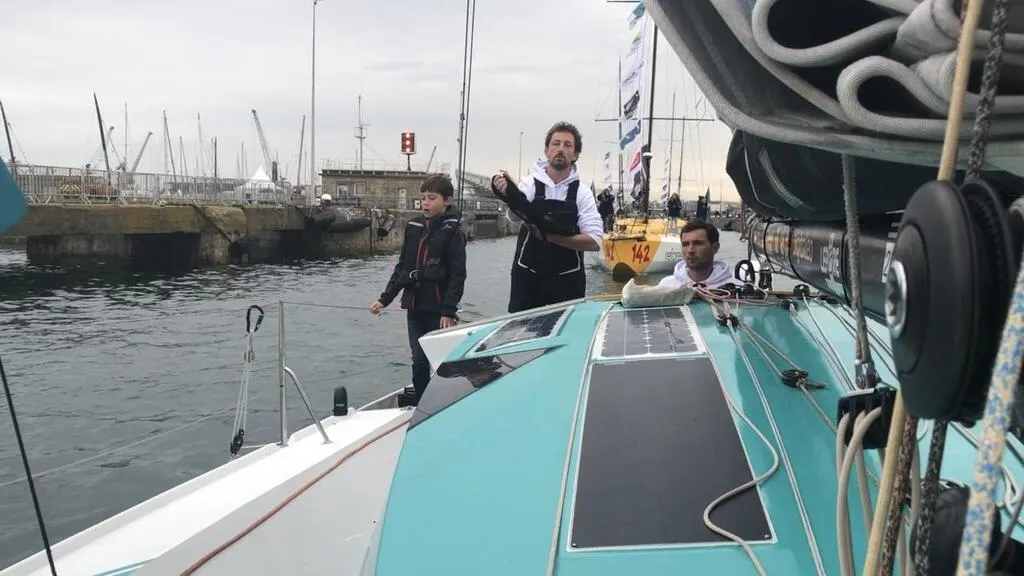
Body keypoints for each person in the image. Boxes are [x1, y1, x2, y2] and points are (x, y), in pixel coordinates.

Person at [370, 174, 467, 403]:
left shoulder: (453, 232)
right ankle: (423, 404)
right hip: (414, 306)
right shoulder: (413, 227)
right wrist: (385, 299)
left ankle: (448, 402)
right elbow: (402, 267)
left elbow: (457, 275)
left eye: (431, 198)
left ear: (447, 201)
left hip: (439, 309)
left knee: (442, 360)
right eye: (422, 198)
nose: (425, 203)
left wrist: (448, 310)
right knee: (419, 360)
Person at [492, 121, 604, 313]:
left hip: (568, 283)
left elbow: (595, 241)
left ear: (575, 154)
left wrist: (553, 238)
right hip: (526, 278)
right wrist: (511, 195)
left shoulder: (582, 194)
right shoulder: (529, 184)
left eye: (567, 145)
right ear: (546, 150)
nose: (561, 149)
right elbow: (515, 217)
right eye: (556, 143)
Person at [657, 220, 734, 289]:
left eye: (698, 244)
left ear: (715, 248)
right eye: (685, 244)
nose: (690, 250)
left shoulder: (736, 288)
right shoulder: (666, 286)